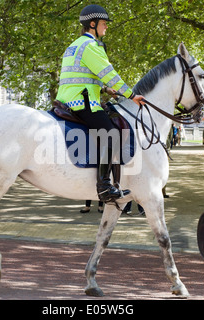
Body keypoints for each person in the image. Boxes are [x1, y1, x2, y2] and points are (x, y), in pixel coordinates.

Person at [55, 4, 145, 202]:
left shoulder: (73, 45)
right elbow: (108, 74)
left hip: (66, 98)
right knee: (110, 134)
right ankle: (104, 187)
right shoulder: (91, 46)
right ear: (92, 24)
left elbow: (81, 76)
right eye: (104, 24)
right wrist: (131, 95)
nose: (106, 27)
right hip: (82, 101)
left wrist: (105, 90)